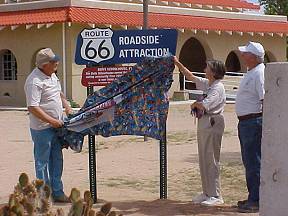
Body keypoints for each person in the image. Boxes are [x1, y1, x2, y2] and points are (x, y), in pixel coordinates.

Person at [174, 57, 226, 206]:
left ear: (214, 71)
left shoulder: (217, 87)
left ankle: (216, 195)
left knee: (211, 158)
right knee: (204, 158)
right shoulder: (209, 84)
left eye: (208, 67)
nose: (205, 69)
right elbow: (190, 76)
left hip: (212, 122)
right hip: (205, 122)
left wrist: (194, 104)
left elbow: (204, 105)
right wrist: (177, 63)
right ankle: (207, 192)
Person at [24, 48, 73, 202]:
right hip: (42, 129)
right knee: (42, 162)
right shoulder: (34, 81)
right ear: (45, 64)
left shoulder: (52, 75)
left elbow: (58, 93)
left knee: (57, 159)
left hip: (57, 127)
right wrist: (52, 121)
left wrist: (67, 106)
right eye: (54, 61)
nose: (57, 63)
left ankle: (57, 192)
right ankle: (44, 197)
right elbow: (33, 107)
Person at [235, 41, 265, 213]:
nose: (243, 56)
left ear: (253, 57)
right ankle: (252, 196)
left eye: (246, 53)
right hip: (246, 122)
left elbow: (264, 99)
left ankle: (256, 199)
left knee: (254, 161)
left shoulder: (259, 74)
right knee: (249, 161)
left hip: (253, 122)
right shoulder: (252, 72)